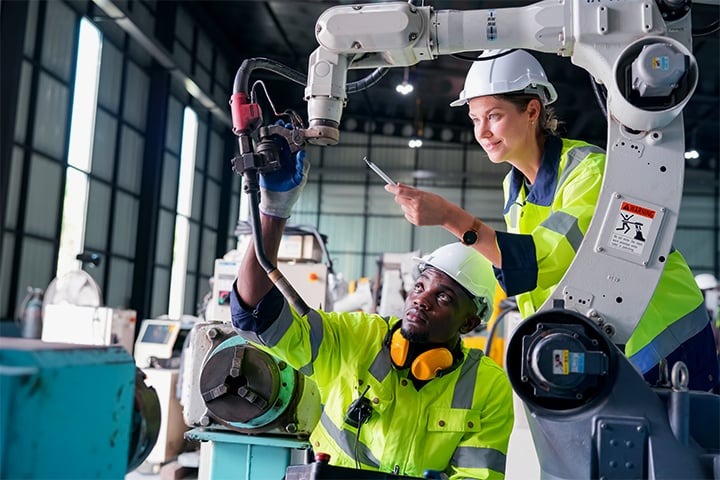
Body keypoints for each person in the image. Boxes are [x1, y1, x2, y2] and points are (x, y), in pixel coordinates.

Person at [385, 49, 719, 392]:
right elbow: (527, 276)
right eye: (474, 119)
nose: (482, 132)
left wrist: (449, 217)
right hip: (610, 347)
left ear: (532, 111)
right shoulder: (514, 188)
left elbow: (546, 259)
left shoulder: (590, 172)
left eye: (494, 116)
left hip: (666, 340)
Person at [229, 128, 514, 479]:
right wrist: (273, 210)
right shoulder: (354, 339)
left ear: (469, 323)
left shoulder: (487, 386)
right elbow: (255, 315)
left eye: (442, 297)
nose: (421, 299)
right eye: (421, 285)